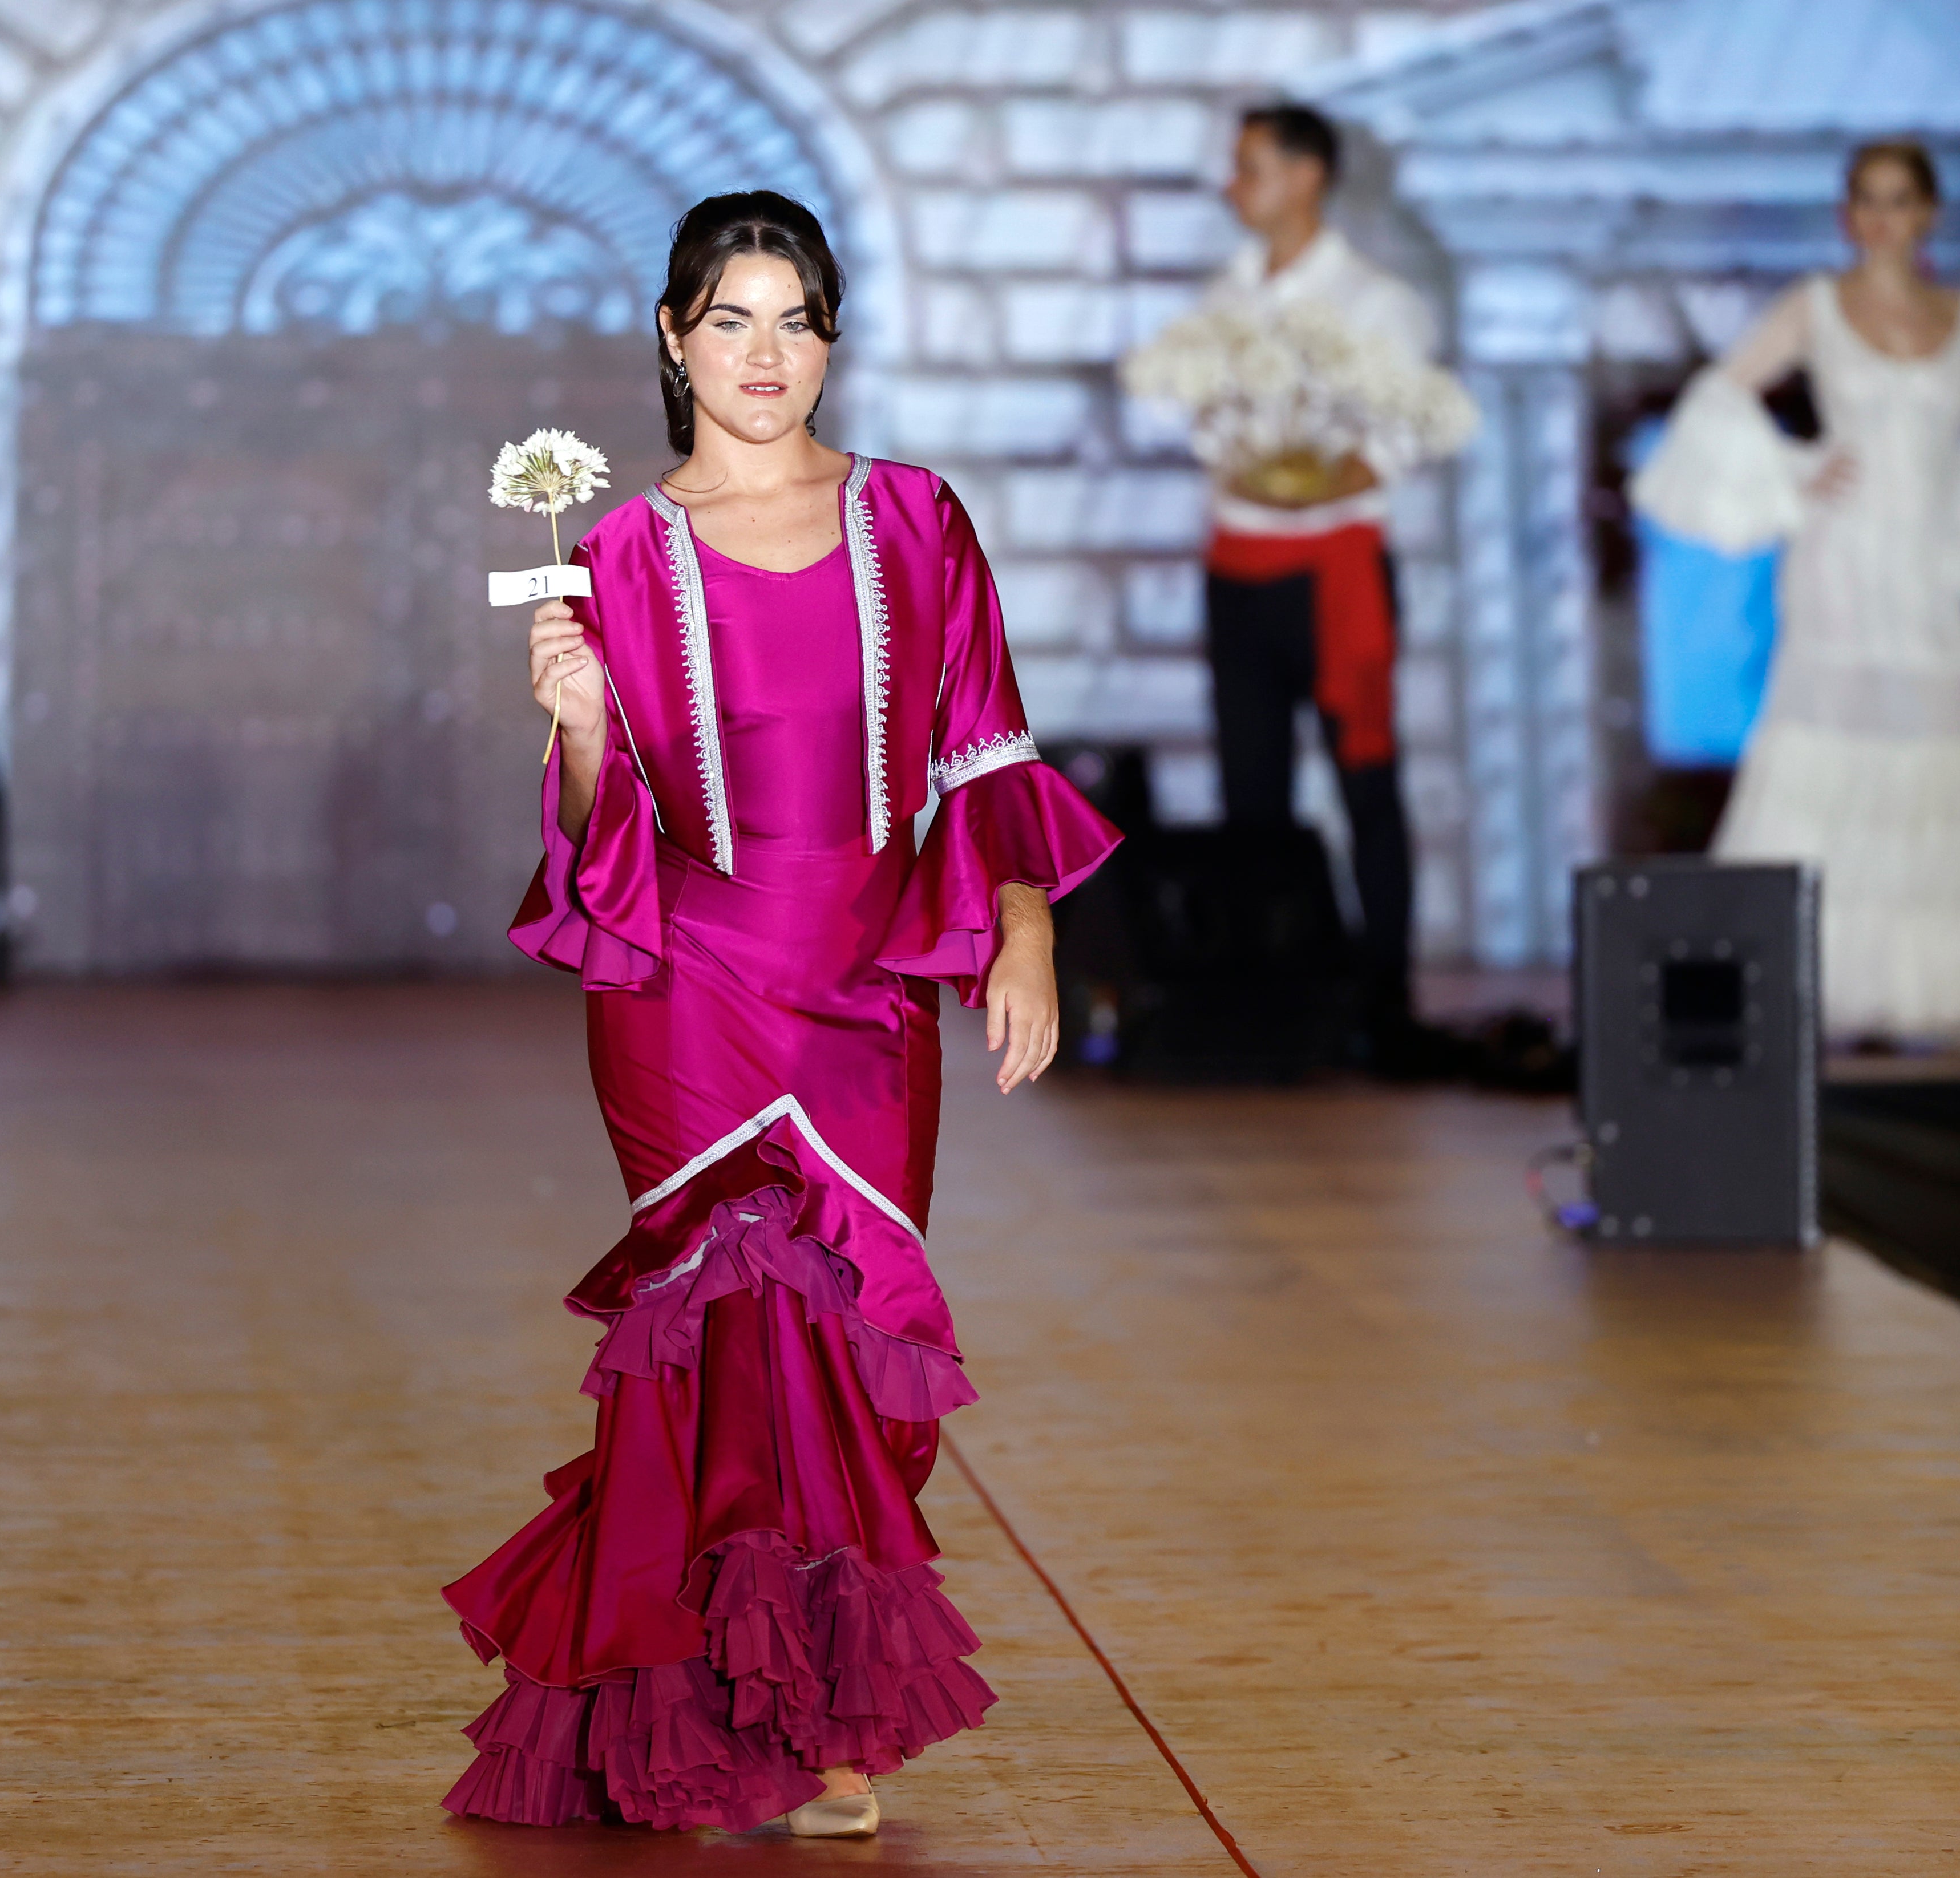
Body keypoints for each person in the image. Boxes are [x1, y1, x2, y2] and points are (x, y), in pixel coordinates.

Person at [439, 192, 1121, 1837]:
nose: (765, 354)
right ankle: (801, 1735)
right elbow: (603, 841)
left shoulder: (916, 517)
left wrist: (1024, 929)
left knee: (858, 1344)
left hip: (866, 988)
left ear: (830, 340)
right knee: (738, 1334)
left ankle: (767, 1695)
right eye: (729, 320)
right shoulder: (616, 554)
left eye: (795, 319)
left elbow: (984, 746)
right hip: (687, 993)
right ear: (673, 340)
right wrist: (579, 725)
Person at [1631, 139, 1960, 1049]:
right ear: (1847, 215)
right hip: (1840, 563)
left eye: (1899, 199)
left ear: (1928, 214)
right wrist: (1793, 471)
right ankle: (1841, 990)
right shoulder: (1814, 306)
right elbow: (1716, 396)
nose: (1882, 219)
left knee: (1958, 751)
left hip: (1929, 564)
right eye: (1866, 200)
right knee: (1832, 752)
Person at [1199, 103, 1445, 1072]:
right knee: (1250, 794)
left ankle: (1385, 1001)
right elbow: (1205, 419)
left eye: (1252, 167)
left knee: (1365, 784)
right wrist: (1242, 459)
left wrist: (1322, 475)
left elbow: (1404, 426)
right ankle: (1277, 1004)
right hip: (1239, 564)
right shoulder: (1226, 292)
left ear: (1307, 176)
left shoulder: (1374, 300)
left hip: (1335, 567)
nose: (1235, 186)